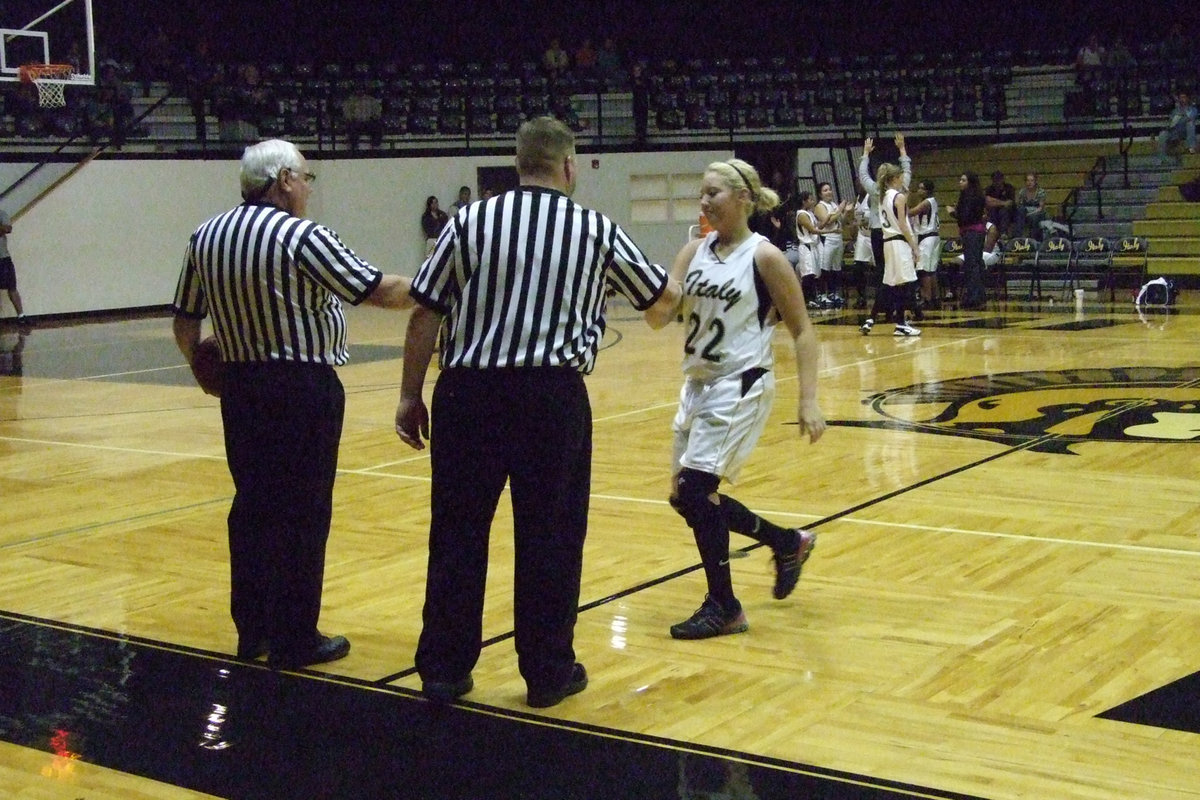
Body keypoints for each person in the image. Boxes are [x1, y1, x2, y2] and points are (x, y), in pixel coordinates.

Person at [394, 116, 682, 707]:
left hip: (468, 395)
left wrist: (409, 393)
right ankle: (547, 671)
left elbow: (424, 312)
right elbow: (660, 305)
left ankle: (445, 669)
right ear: (569, 166)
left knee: (456, 534)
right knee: (550, 537)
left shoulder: (468, 221)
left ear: (516, 163)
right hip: (550, 399)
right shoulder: (594, 227)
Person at [171, 139, 414, 670]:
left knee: (253, 506)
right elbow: (380, 291)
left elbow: (185, 322)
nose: (307, 187)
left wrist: (202, 369)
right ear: (283, 179)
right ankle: (296, 635)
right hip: (302, 388)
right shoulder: (303, 237)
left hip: (241, 389)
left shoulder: (205, 236)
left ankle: (252, 629)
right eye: (305, 178)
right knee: (303, 511)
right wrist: (441, 287)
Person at [664, 158, 824, 640]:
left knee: (695, 490)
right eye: (702, 192)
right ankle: (786, 542)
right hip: (697, 384)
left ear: (742, 199)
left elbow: (802, 331)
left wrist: (809, 400)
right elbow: (662, 314)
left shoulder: (765, 257)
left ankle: (725, 606)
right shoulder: (693, 250)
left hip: (741, 382)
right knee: (684, 496)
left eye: (713, 192)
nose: (704, 200)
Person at [858, 135, 911, 332]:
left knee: (886, 275)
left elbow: (863, 175)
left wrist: (865, 155)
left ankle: (884, 314)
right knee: (897, 277)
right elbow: (907, 172)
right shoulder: (897, 191)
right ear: (893, 178)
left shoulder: (874, 190)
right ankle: (898, 317)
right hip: (894, 235)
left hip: (877, 234)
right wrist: (902, 150)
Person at [863, 163, 921, 337]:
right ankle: (901, 324)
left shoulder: (882, 196)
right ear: (895, 178)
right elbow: (903, 224)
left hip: (887, 242)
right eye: (901, 177)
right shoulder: (899, 197)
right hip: (898, 242)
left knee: (892, 282)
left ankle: (874, 318)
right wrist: (914, 246)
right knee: (903, 282)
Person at [946, 171, 988, 310]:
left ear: (969, 182)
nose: (960, 182)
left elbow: (965, 217)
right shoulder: (977, 195)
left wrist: (953, 212)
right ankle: (979, 295)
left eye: (963, 180)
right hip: (976, 232)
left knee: (971, 264)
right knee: (976, 262)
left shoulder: (969, 197)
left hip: (971, 232)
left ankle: (973, 296)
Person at [813, 182, 851, 307]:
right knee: (825, 267)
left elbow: (841, 222)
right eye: (825, 190)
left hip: (837, 238)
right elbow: (828, 221)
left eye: (829, 189)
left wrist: (845, 212)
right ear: (820, 194)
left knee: (836, 268)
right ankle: (822, 294)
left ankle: (833, 293)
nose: (829, 192)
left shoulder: (833, 205)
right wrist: (839, 210)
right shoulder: (820, 206)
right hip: (827, 238)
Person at [907, 179, 941, 311]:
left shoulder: (927, 202)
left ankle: (927, 298)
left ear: (928, 190)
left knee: (924, 271)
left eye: (922, 188)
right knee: (931, 270)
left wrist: (902, 202)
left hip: (927, 238)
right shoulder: (931, 202)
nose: (919, 191)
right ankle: (935, 297)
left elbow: (910, 212)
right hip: (932, 237)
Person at [0, 206, 28, 326]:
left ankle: (21, 317)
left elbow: (8, 228)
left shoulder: (1, 213)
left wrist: (2, 229)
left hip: (3, 258)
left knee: (12, 287)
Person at [793, 191, 820, 305]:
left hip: (812, 245)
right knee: (808, 274)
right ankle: (807, 299)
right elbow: (813, 230)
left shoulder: (810, 213)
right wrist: (833, 230)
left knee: (813, 273)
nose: (812, 201)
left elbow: (818, 227)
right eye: (810, 199)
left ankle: (813, 298)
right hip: (805, 246)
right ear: (804, 201)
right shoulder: (802, 214)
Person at [1156, 91, 1197, 160]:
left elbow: (1190, 118)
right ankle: (1161, 157)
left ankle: (1191, 147)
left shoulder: (1193, 109)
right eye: (1180, 98)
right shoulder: (1174, 111)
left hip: (1185, 132)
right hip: (1174, 131)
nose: (1182, 99)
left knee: (1190, 124)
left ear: (1187, 98)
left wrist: (1182, 113)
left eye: (1183, 97)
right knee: (1162, 134)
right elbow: (1171, 122)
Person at [1014, 172, 1047, 240]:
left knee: (1034, 218)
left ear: (1035, 182)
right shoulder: (1022, 192)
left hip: (1037, 213)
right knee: (1020, 212)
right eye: (1028, 180)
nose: (1030, 182)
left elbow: (1041, 208)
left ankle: (1035, 240)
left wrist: (1030, 214)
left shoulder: (1041, 192)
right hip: (1025, 213)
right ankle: (1018, 237)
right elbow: (1019, 205)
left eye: (1032, 180)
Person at [984, 171, 1016, 237]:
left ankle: (1003, 233)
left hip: (1008, 212)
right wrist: (1003, 203)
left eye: (998, 179)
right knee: (991, 212)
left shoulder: (1009, 188)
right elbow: (988, 201)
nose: (997, 181)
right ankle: (991, 233)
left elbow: (1010, 203)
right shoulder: (989, 189)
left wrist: (994, 201)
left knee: (1003, 211)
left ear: (1002, 179)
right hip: (993, 211)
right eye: (995, 179)